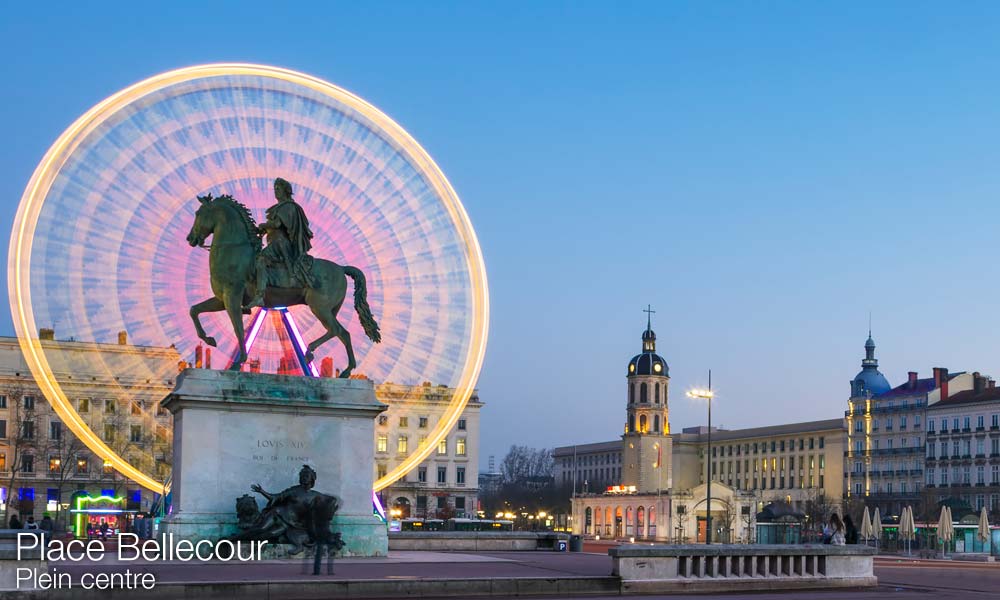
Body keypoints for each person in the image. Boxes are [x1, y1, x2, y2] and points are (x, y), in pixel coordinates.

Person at [246, 178, 316, 308]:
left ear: (286, 191)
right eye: (275, 189)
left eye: (278, 189)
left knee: (260, 260)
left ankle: (260, 296)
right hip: (274, 241)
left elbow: (277, 224)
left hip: (280, 244)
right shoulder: (281, 207)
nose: (276, 192)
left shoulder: (288, 206)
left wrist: (264, 225)